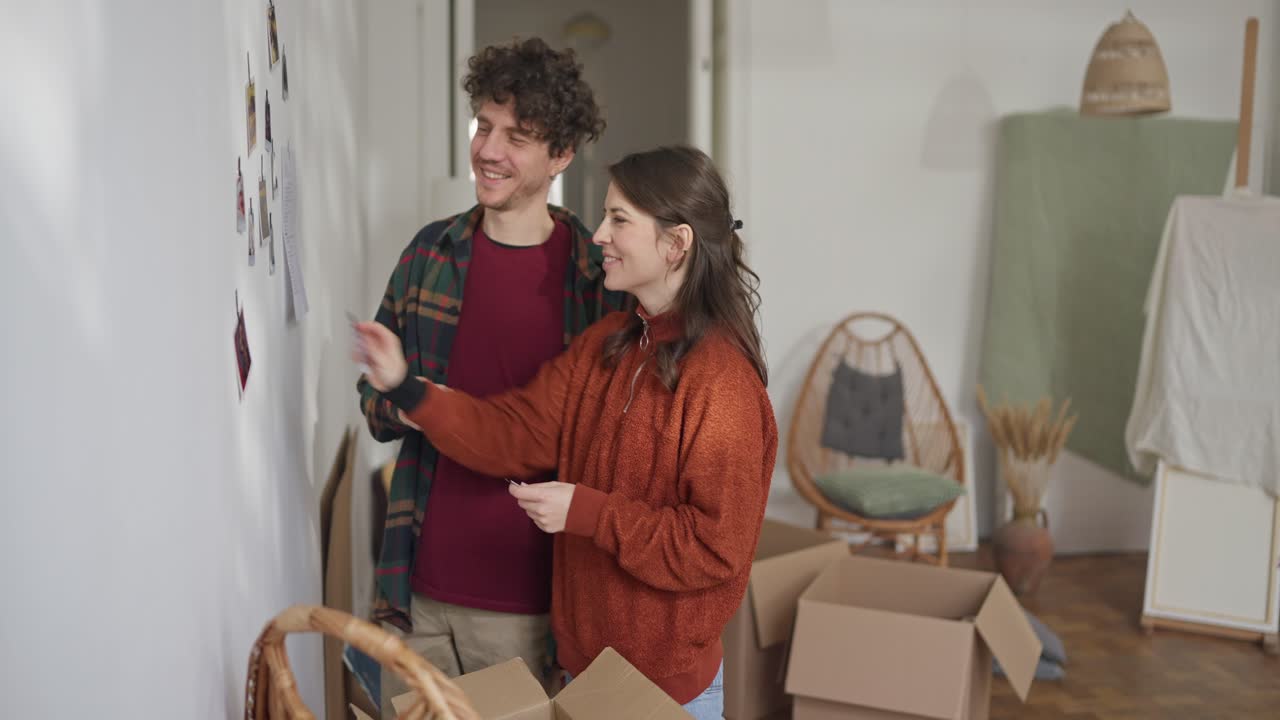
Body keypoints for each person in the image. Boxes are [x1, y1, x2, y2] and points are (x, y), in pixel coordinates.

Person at [357, 145, 776, 719]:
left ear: (676, 244)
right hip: (583, 675)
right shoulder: (604, 346)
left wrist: (589, 512)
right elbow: (511, 432)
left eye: (619, 220)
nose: (599, 234)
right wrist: (406, 388)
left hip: (667, 692)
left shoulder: (722, 383)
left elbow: (712, 548)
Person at [355, 36, 625, 699]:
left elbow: (610, 440)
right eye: (484, 126)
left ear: (561, 154)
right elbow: (375, 408)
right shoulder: (430, 254)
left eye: (517, 137)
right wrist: (408, 398)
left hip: (530, 606)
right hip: (415, 592)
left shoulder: (596, 279)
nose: (488, 150)